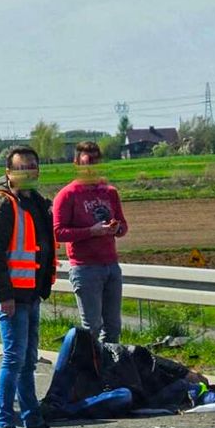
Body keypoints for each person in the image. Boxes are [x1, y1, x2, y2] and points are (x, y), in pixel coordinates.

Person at [0, 146, 63, 428]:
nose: (27, 172)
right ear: (8, 172)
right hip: (11, 294)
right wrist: (4, 296)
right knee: (14, 360)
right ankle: (4, 425)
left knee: (27, 360)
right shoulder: (3, 204)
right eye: (21, 167)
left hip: (30, 292)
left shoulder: (34, 202)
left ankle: (33, 422)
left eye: (32, 167)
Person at [41, 327, 215, 420]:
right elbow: (142, 354)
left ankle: (60, 409)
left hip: (115, 387)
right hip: (105, 371)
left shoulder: (179, 389)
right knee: (77, 334)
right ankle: (54, 403)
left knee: (124, 395)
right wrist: (183, 370)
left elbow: (208, 396)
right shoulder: (172, 379)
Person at [53, 141, 129, 345]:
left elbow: (123, 225)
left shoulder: (109, 192)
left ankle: (109, 369)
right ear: (76, 163)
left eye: (96, 162)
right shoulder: (67, 195)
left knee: (113, 327)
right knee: (92, 327)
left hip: (110, 265)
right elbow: (58, 232)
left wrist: (116, 228)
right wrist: (91, 232)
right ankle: (88, 371)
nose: (91, 168)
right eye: (87, 162)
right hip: (85, 268)